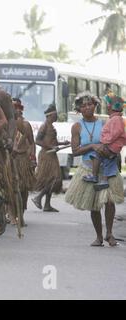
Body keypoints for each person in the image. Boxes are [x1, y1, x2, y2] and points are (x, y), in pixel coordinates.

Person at [65, 92, 124, 247]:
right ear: (78, 109)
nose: (87, 107)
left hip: (107, 166)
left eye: (90, 104)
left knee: (110, 202)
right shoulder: (76, 127)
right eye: (83, 106)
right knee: (94, 204)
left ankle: (109, 233)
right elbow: (75, 150)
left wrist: (112, 154)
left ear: (95, 105)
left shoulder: (105, 123)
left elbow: (116, 139)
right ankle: (98, 236)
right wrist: (92, 146)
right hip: (88, 168)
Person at [82, 93, 126, 191]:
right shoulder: (114, 118)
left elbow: (116, 133)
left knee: (96, 154)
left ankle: (94, 176)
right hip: (112, 147)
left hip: (111, 146)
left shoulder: (116, 119)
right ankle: (105, 181)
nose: (106, 108)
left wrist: (105, 141)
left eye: (108, 106)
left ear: (111, 108)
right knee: (107, 162)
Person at [32, 104, 69, 212]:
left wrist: (63, 143)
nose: (56, 116)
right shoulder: (44, 126)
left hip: (52, 154)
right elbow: (37, 141)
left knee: (51, 179)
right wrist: (51, 147)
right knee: (54, 179)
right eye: (55, 115)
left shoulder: (51, 126)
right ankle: (38, 197)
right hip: (46, 155)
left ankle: (47, 205)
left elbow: (54, 142)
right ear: (50, 116)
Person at [12, 98, 36, 225]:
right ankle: (12, 214)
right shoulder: (7, 123)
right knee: (11, 188)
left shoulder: (25, 125)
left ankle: (21, 215)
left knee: (23, 189)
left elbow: (32, 143)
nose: (15, 111)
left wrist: (32, 158)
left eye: (17, 108)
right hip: (11, 160)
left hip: (23, 160)